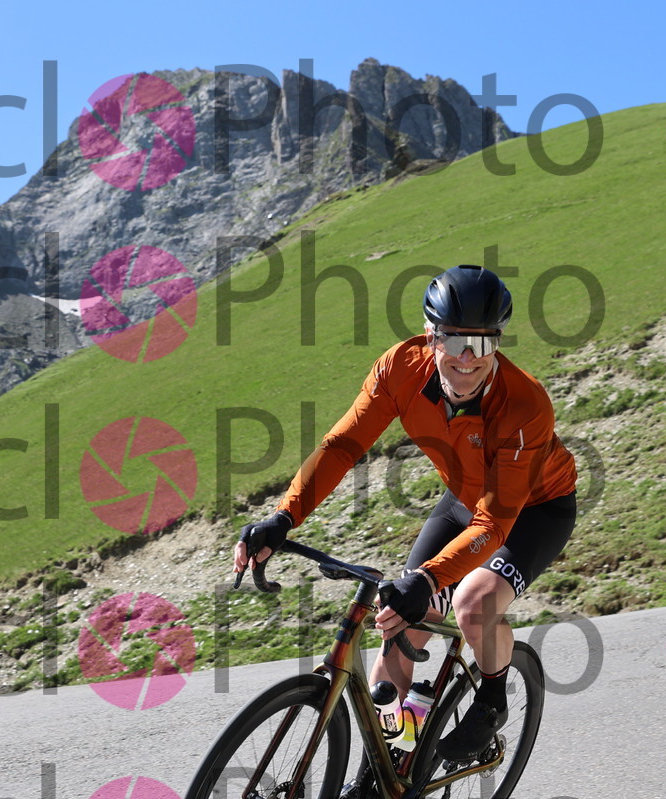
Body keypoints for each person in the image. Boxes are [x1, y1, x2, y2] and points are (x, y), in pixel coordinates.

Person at [232, 264, 578, 762]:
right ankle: (388, 760)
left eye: (481, 343)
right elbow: (342, 446)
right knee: (397, 625)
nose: (466, 357)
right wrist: (284, 518)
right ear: (430, 334)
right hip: (463, 500)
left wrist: (429, 579)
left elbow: (494, 524)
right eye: (453, 339)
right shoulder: (400, 368)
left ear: (498, 342)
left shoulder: (524, 404)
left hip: (534, 511)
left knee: (473, 603)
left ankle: (492, 700)